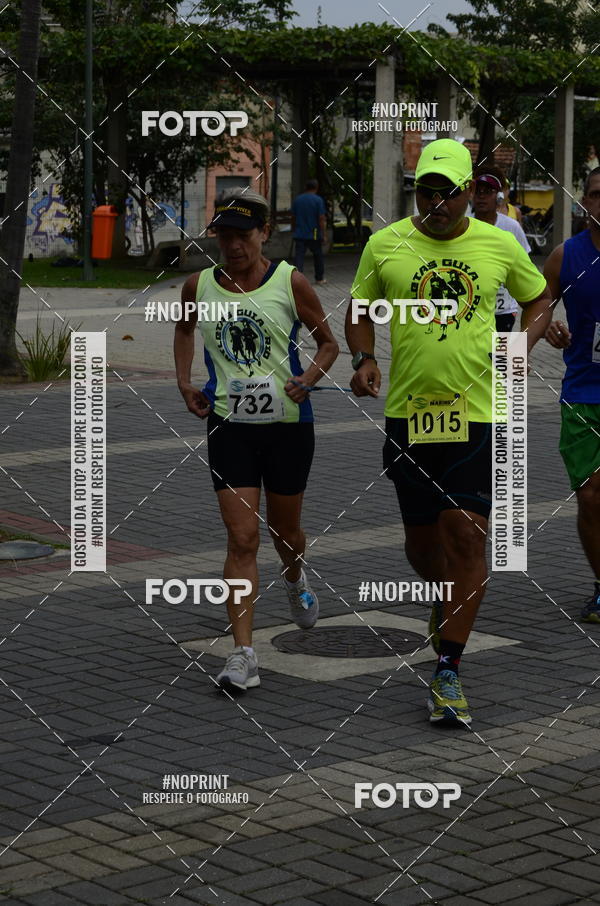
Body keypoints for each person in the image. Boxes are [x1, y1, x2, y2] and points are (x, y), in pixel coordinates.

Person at [346, 138, 552, 726]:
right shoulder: (386, 244)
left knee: (465, 535)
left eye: (447, 193)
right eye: (426, 192)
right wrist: (363, 357)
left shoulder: (498, 242)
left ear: (468, 192)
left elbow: (539, 298)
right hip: (410, 415)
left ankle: (448, 671)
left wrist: (521, 345)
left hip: (479, 414)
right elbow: (359, 307)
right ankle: (446, 599)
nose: (436, 203)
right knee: (421, 546)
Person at [175, 187, 339, 691]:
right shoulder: (199, 285)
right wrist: (183, 381)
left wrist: (308, 379)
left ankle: (294, 576)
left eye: (242, 235)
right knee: (242, 537)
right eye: (223, 236)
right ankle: (242, 654)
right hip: (229, 427)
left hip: (289, 427)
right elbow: (184, 330)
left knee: (285, 533)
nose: (232, 246)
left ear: (264, 233)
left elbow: (328, 344)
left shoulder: (290, 282)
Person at [543, 166, 600, 623]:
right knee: (590, 496)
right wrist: (549, 329)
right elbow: (538, 307)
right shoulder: (566, 255)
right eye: (597, 194)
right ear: (584, 202)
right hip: (583, 392)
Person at [471, 166, 532, 332]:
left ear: (499, 197)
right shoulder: (463, 224)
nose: (481, 196)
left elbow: (526, 267)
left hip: (504, 311)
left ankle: (515, 350)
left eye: (487, 192)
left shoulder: (512, 227)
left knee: (503, 349)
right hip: (472, 309)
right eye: (477, 191)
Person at [292, 179, 327, 285]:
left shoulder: (297, 200)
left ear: (305, 187)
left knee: (299, 257)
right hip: (314, 233)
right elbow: (321, 218)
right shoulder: (318, 200)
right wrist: (324, 234)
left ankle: (296, 279)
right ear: (316, 188)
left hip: (300, 233)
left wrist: (294, 229)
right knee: (318, 256)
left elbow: (293, 217)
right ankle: (319, 278)